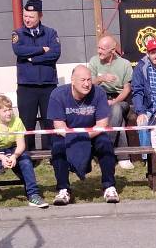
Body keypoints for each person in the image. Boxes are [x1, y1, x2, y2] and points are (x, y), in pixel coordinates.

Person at [47, 65, 118, 205]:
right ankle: (63, 189)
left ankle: (109, 186)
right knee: (57, 147)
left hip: (93, 133)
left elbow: (102, 125)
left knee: (106, 144)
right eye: (82, 80)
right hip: (66, 134)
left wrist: (84, 137)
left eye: (89, 80)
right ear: (72, 81)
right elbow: (60, 127)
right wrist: (77, 137)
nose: (86, 84)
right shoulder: (57, 94)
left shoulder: (99, 93)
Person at [0, 95, 48, 209]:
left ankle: (33, 195)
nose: (9, 113)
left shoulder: (17, 121)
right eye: (5, 110)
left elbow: (21, 145)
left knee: (26, 161)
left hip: (13, 148)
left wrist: (14, 156)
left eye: (10, 109)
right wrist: (2, 158)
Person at [12, 0, 61, 151]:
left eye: (31, 17)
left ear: (40, 16)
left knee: (50, 121)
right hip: (27, 86)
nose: (27, 19)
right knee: (27, 122)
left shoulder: (51, 33)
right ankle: (28, 155)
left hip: (48, 86)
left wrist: (32, 58)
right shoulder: (18, 33)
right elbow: (19, 51)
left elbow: (55, 53)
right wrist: (41, 50)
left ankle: (54, 153)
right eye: (25, 16)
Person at [89, 34, 134, 170]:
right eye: (98, 48)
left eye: (102, 49)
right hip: (99, 98)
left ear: (112, 51)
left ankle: (104, 150)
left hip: (119, 99)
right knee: (118, 119)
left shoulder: (124, 64)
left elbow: (127, 89)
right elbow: (88, 82)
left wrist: (115, 101)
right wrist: (101, 78)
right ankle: (123, 156)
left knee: (116, 110)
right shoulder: (94, 61)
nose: (99, 51)